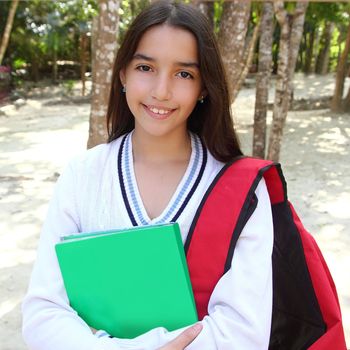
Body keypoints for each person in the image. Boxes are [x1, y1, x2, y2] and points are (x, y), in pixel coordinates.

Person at [22, 1, 273, 349]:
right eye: (145, 67)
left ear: (203, 88)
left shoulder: (243, 189)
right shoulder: (83, 175)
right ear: (123, 74)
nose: (161, 91)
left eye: (184, 74)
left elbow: (245, 332)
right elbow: (42, 311)